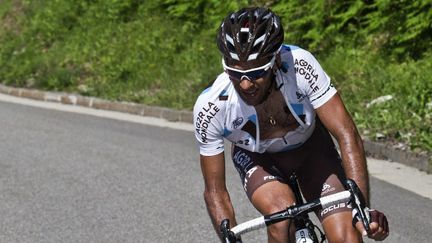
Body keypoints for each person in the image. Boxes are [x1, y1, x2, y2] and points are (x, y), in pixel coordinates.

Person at [193, 7, 389, 243]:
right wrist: (229, 237)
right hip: (259, 159)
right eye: (235, 73)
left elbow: (346, 133)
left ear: (275, 60)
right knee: (280, 216)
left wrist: (362, 210)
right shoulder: (210, 106)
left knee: (347, 237)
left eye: (256, 72)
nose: (245, 84)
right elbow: (215, 190)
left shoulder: (300, 65)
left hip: (311, 149)